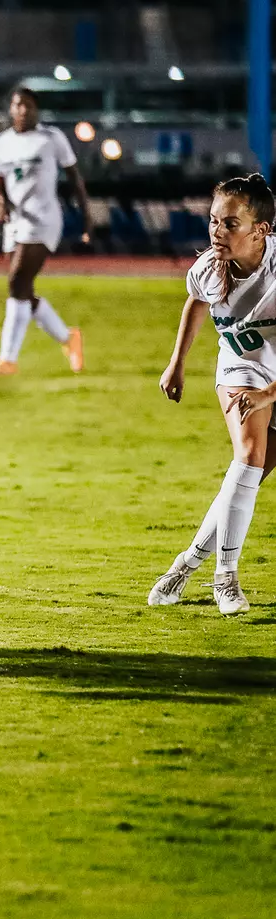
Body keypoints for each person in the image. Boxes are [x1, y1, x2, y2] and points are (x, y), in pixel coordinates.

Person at [149, 173, 276, 615]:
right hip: (241, 368)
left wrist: (271, 394)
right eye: (213, 221)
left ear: (262, 231)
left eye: (230, 224)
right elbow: (196, 302)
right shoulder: (208, 267)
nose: (217, 232)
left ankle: (183, 567)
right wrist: (176, 362)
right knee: (249, 453)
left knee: (247, 479)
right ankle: (226, 577)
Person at [0, 87, 89, 377]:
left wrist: (86, 218)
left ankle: (8, 359)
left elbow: (75, 178)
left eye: (29, 105)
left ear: (36, 109)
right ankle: (68, 338)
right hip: (15, 222)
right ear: (11, 110)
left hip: (44, 219)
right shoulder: (2, 143)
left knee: (17, 282)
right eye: (18, 105)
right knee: (23, 289)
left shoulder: (51, 138)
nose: (23, 110)